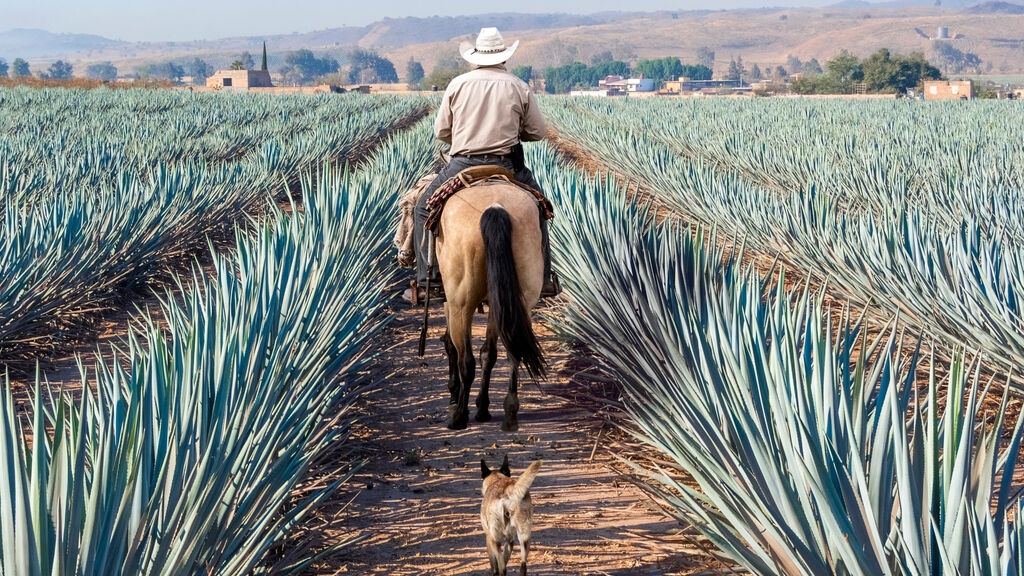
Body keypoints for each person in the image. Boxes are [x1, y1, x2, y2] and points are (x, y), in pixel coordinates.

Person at [405, 27, 556, 304]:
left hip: (462, 164)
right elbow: (537, 132)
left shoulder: (457, 84)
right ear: (503, 57)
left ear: (475, 57)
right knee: (540, 208)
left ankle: (429, 278)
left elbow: (442, 132)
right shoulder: (518, 86)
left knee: (423, 208)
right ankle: (543, 277)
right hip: (507, 165)